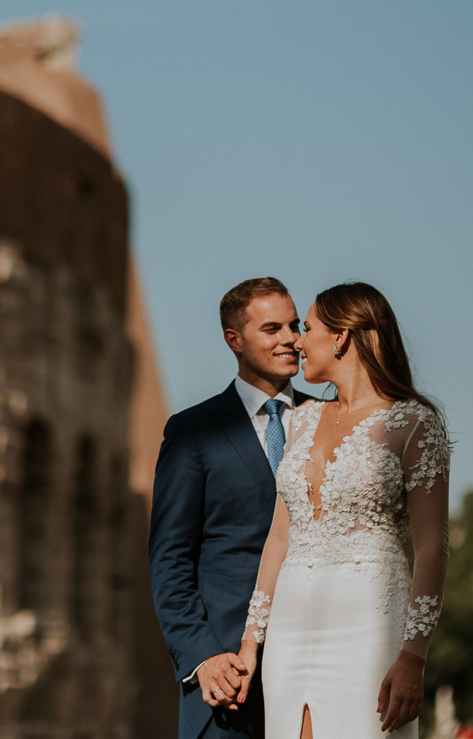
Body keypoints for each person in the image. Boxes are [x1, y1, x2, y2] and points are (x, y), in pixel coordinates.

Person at [231, 282, 451, 738]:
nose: (295, 341)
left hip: (369, 630)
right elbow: (279, 539)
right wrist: (252, 641)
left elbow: (433, 547)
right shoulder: (301, 420)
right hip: (290, 633)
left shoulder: (413, 422)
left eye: (305, 328)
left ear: (341, 337)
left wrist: (414, 656)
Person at [149, 277, 312, 739]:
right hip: (228, 677)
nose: (290, 340)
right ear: (234, 340)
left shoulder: (328, 423)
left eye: (294, 326)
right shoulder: (193, 430)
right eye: (272, 328)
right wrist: (202, 655)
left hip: (315, 661)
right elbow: (170, 558)